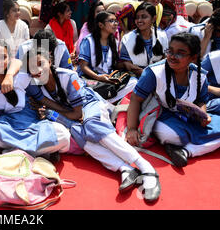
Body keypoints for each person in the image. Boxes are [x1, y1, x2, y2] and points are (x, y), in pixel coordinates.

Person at [24, 48, 161, 202]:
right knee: (78, 134)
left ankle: (146, 167)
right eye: (31, 67)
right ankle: (125, 168)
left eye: (40, 63)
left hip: (89, 105)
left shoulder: (68, 76)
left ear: (49, 62)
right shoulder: (32, 85)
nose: (37, 70)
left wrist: (52, 113)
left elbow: (77, 113)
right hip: (69, 113)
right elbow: (53, 108)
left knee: (91, 126)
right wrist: (53, 112)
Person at [0, 40, 71, 166]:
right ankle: (36, 153)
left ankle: (7, 152)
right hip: (7, 125)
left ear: (9, 58)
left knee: (63, 135)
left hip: (32, 124)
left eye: (3, 57)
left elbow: (41, 97)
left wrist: (66, 111)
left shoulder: (20, 76)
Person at [127, 33, 220, 168]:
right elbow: (136, 99)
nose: (172, 56)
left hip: (188, 116)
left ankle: (186, 151)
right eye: (170, 51)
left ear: (193, 58)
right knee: (171, 135)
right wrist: (131, 129)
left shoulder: (200, 75)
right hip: (163, 115)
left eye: (180, 53)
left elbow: (201, 101)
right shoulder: (154, 72)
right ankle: (188, 144)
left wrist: (202, 115)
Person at [78, 11, 137, 103]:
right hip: (91, 79)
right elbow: (83, 66)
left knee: (133, 82)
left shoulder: (115, 42)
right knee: (84, 89)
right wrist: (98, 77)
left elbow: (113, 65)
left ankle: (104, 101)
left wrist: (125, 65)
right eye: (111, 21)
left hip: (107, 79)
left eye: (116, 21)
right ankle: (105, 100)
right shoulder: (88, 40)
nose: (115, 24)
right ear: (101, 25)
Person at [119, 2, 168, 77]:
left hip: (159, 74)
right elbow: (127, 64)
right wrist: (146, 75)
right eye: (137, 17)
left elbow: (165, 59)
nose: (139, 20)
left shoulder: (162, 36)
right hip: (136, 77)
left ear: (153, 19)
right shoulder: (127, 38)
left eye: (144, 17)